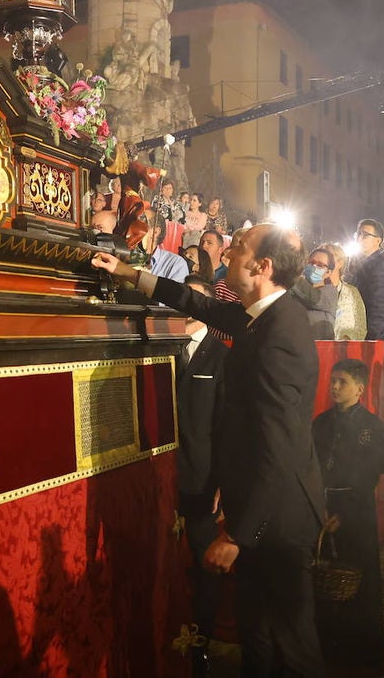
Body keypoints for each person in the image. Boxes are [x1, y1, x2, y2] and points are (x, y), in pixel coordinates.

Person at [91, 224, 327, 677]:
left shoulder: (281, 334)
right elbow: (201, 305)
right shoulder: (264, 314)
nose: (229, 253)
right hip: (262, 513)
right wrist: (130, 273)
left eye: (239, 247)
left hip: (278, 519)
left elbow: (278, 450)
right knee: (257, 638)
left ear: (263, 267)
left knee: (291, 647)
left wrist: (237, 533)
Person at [312, 359, 384, 666]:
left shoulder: (372, 427)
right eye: (333, 381)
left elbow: (380, 476)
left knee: (358, 577)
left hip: (357, 511)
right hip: (320, 508)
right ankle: (326, 644)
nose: (335, 387)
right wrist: (318, 506)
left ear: (360, 390)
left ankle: (361, 649)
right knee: (323, 575)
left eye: (343, 382)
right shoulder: (320, 424)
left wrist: (347, 514)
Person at [175, 275, 230, 677]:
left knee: (204, 564)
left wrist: (224, 482)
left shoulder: (222, 358)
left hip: (202, 481)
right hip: (160, 477)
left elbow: (229, 426)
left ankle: (201, 643)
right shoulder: (159, 347)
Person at [349, 218, 384, 341]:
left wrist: (372, 340)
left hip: (372, 337)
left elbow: (380, 307)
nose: (360, 238)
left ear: (378, 241)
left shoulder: (379, 266)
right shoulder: (363, 263)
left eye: (365, 235)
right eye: (358, 234)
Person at [290, 246, 338, 340]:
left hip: (316, 349)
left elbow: (314, 299)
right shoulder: (295, 290)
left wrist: (291, 275)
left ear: (328, 272)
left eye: (320, 265)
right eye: (311, 263)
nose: (314, 267)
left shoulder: (331, 292)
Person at [323, 243, 367, 341]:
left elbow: (361, 326)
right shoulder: (311, 290)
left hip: (345, 351)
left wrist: (347, 340)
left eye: (329, 255)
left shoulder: (352, 292)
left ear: (340, 263)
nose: (324, 259)